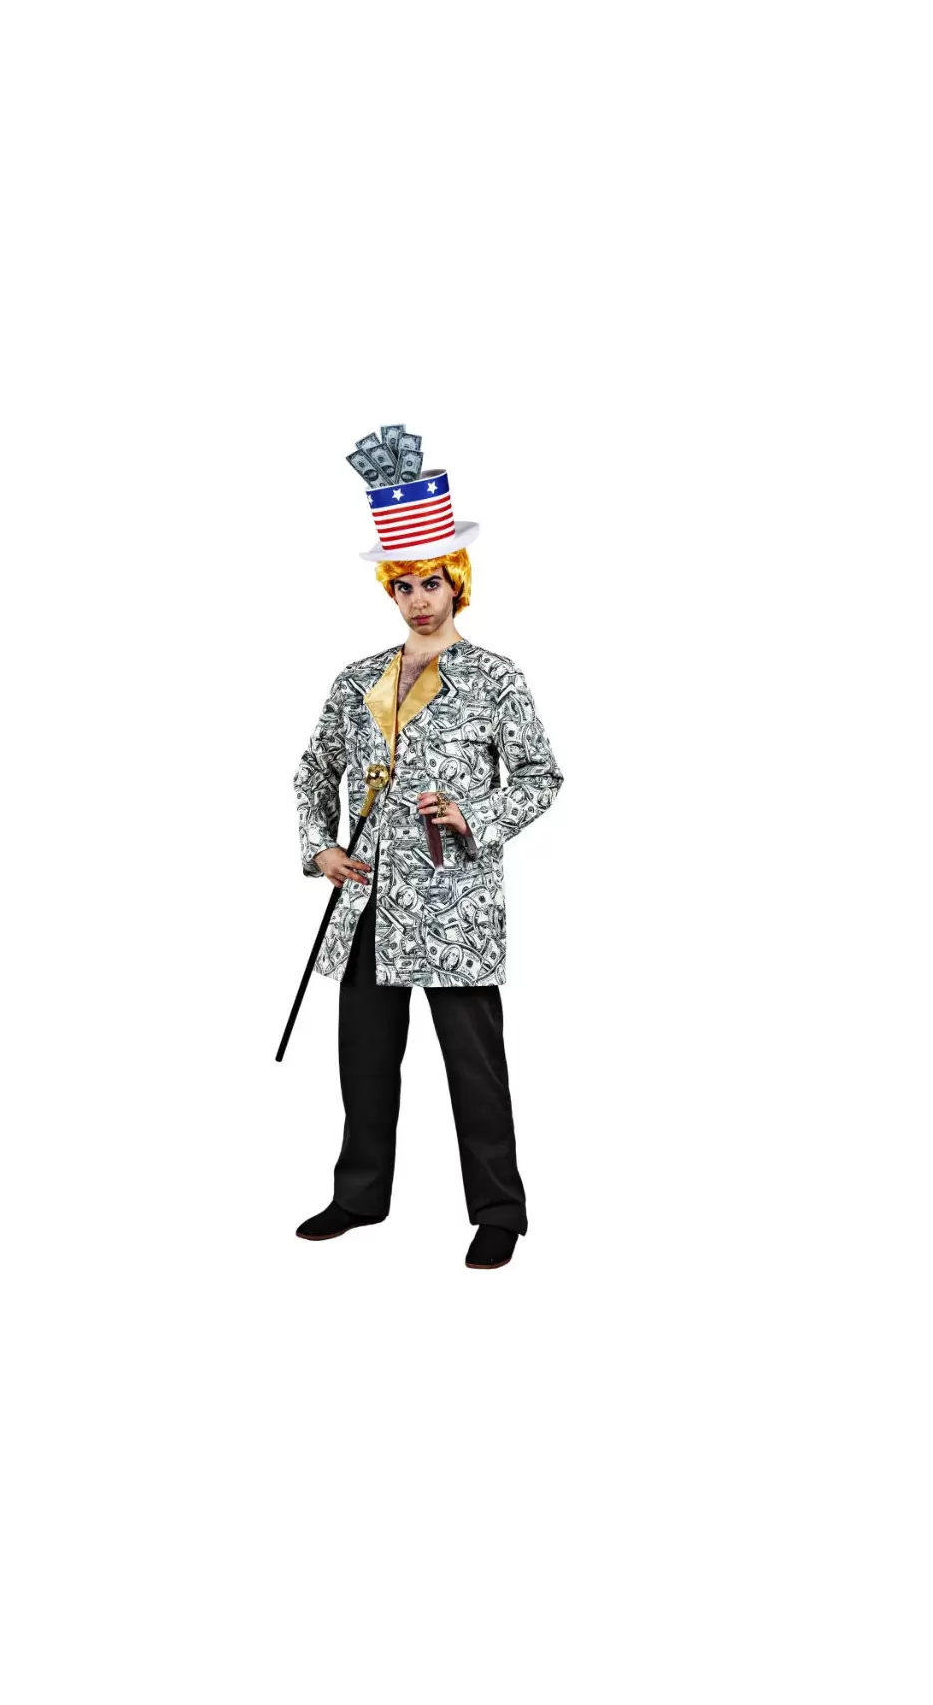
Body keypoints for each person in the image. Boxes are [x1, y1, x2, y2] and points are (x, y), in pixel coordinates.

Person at [290, 449, 564, 1269]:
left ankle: (499, 1211)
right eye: (403, 586)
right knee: (366, 1062)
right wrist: (321, 847)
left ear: (457, 585)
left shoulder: (494, 679)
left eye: (431, 583)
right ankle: (358, 1197)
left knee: (475, 1068)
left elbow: (541, 776)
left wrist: (474, 814)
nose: (417, 599)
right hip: (368, 897)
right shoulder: (357, 680)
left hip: (454, 904)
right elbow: (314, 770)